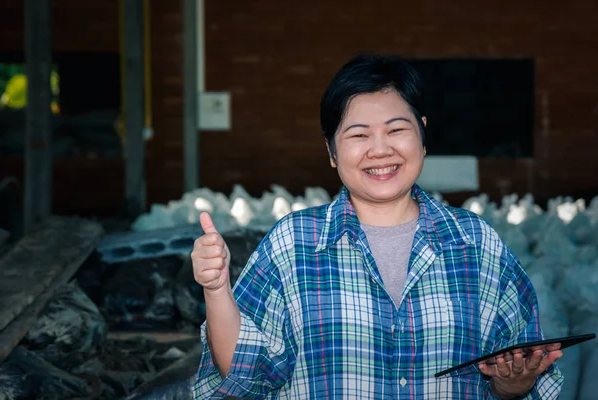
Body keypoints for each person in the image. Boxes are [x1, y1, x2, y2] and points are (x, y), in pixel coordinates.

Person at [191, 53, 564, 399]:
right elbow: (245, 373)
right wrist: (217, 288)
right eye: (358, 135)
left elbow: (518, 367)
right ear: (332, 152)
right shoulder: (293, 243)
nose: (380, 149)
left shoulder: (476, 243)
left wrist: (513, 383)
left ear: (422, 134)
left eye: (396, 129)